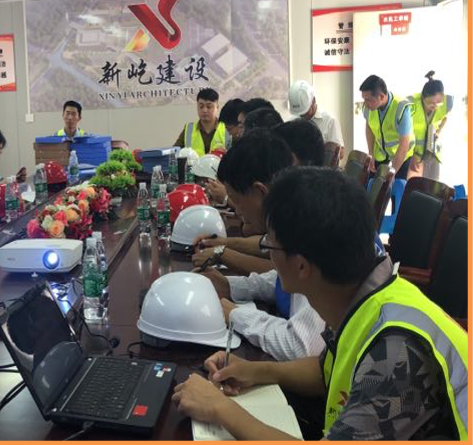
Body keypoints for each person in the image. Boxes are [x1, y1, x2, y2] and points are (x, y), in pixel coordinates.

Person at [174, 168, 467, 440]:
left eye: (269, 246)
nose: (267, 256)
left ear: (302, 266)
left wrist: (219, 408)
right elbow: (325, 370)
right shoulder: (364, 296)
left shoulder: (396, 353)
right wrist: (255, 371)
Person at [193, 130, 326, 361]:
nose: (236, 210)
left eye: (235, 199)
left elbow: (301, 346)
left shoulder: (312, 229)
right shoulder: (296, 216)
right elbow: (283, 282)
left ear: (260, 192)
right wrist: (231, 286)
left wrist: (236, 315)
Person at [361, 74, 414, 179]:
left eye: (368, 99)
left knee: (396, 184)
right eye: (364, 99)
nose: (365, 104)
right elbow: (369, 127)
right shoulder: (368, 107)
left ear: (381, 96)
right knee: (373, 182)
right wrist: (371, 153)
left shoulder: (401, 108)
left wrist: (391, 174)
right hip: (380, 151)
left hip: (402, 154)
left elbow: (404, 145)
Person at [408, 71, 454, 180]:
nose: (435, 106)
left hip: (433, 155)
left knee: (433, 187)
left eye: (438, 102)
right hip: (415, 156)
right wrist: (411, 156)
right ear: (423, 98)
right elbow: (404, 133)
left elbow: (445, 117)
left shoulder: (446, 104)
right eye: (431, 103)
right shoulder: (410, 105)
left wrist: (438, 131)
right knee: (413, 186)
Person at [288, 80, 344, 160]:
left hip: (323, 167)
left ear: (313, 100)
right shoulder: (292, 122)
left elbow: (341, 153)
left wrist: (321, 149)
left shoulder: (330, 121)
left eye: (305, 112)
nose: (302, 116)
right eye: (300, 113)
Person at [174, 88, 227, 156]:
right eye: (201, 106)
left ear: (217, 107)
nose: (204, 110)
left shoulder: (226, 128)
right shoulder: (189, 129)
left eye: (209, 107)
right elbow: (175, 152)